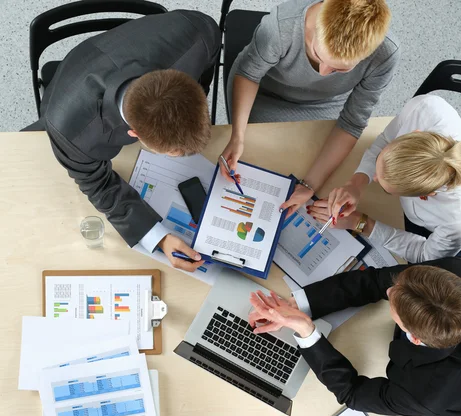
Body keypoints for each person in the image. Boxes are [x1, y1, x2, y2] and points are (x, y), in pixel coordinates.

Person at [24, 11, 220, 273]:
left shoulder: (199, 34)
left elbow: (209, 58)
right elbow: (99, 185)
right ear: (134, 135)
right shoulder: (72, 135)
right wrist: (158, 236)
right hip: (71, 91)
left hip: (122, 52)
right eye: (170, 153)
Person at [248, 258, 461, 416]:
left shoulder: (424, 394)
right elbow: (377, 280)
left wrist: (306, 330)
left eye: (392, 301)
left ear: (414, 338)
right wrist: (300, 306)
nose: (387, 291)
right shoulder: (450, 279)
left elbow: (353, 393)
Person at [219, 0, 400, 213]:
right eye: (317, 56)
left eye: (339, 70)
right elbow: (249, 74)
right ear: (315, 28)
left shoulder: (385, 54)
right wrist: (237, 137)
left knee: (316, 167)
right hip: (264, 92)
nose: (322, 73)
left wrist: (309, 185)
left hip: (325, 105)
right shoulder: (282, 26)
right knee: (257, 160)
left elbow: (352, 122)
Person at [311, 95, 461, 262]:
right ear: (414, 133)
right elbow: (385, 139)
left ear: (429, 194)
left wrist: (361, 223)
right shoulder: (426, 108)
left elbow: (424, 255)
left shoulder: (455, 223)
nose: (374, 178)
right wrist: (356, 183)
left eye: (386, 189)